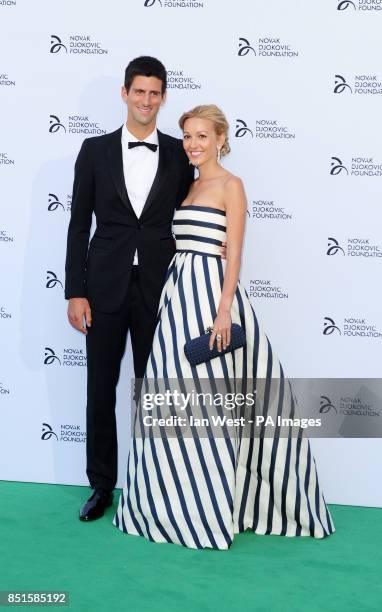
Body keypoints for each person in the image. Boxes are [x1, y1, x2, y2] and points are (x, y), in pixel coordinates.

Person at [113, 104, 335, 550]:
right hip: (178, 299)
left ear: (220, 138)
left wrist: (223, 310)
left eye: (201, 136)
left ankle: (215, 506)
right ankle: (171, 501)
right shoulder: (188, 185)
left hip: (212, 298)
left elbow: (234, 251)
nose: (193, 144)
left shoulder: (232, 186)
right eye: (188, 136)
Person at [65, 57, 197, 521]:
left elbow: (192, 214)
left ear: (163, 98)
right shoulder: (94, 150)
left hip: (160, 289)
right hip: (102, 289)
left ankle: (158, 484)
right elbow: (79, 224)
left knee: (156, 390)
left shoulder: (181, 154)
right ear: (124, 93)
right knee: (100, 389)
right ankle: (101, 486)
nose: (146, 100)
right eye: (138, 91)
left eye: (154, 93)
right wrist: (74, 291)